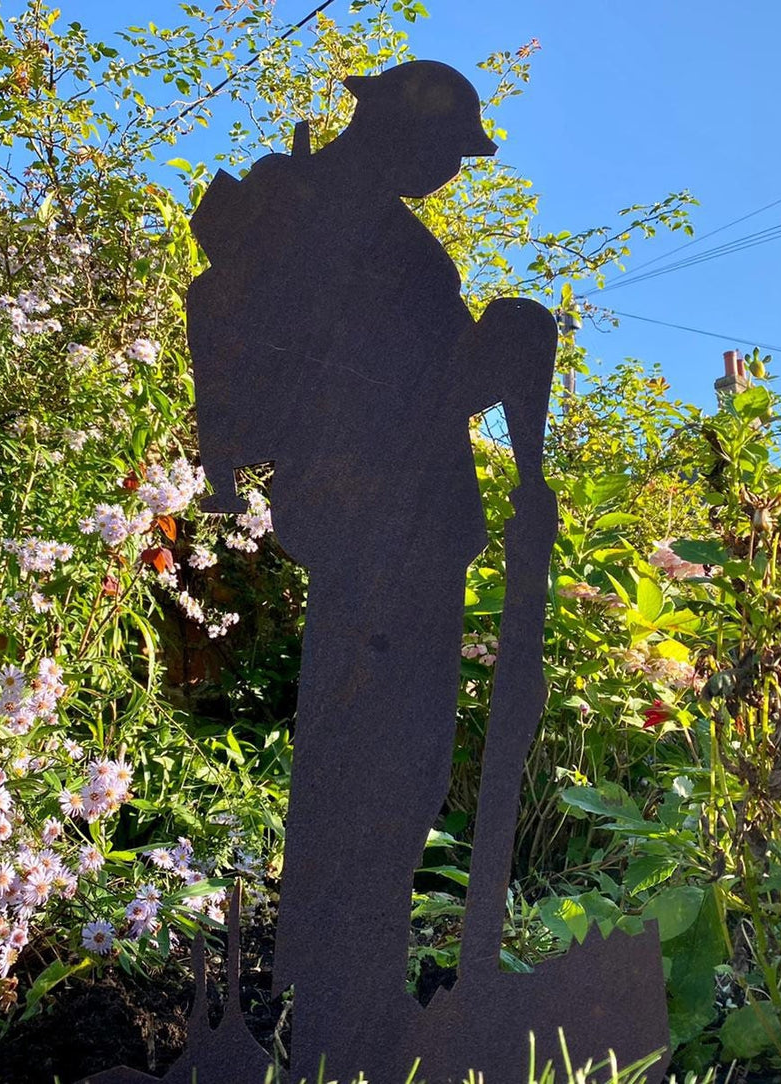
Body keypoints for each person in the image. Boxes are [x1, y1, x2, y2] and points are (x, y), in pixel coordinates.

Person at [187, 59, 558, 1082]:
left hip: (385, 511)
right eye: (446, 151)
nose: (448, 171)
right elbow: (375, 378)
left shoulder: (344, 221)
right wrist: (507, 356)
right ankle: (339, 1006)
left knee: (379, 755)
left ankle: (341, 994)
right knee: (380, 755)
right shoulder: (340, 226)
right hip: (383, 516)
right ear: (401, 132)